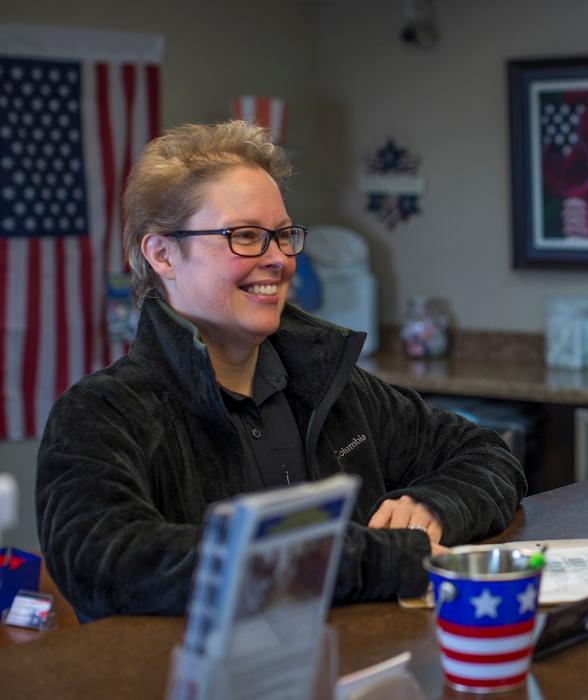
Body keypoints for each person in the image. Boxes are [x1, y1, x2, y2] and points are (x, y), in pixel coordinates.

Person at [36, 121, 527, 621]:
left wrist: (435, 505)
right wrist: (373, 561)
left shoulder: (332, 387)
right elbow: (111, 562)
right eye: (245, 236)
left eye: (283, 235)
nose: (279, 260)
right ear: (162, 253)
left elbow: (488, 456)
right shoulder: (101, 414)